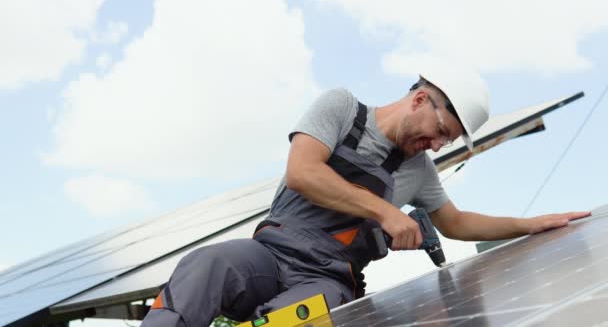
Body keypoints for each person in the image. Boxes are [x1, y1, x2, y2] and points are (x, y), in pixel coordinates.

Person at [141, 65, 590, 327]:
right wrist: (385, 212)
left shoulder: (418, 171)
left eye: (446, 142)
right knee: (205, 265)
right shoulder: (340, 109)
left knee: (303, 317)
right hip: (268, 256)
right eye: (440, 133)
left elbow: (456, 223)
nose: (436, 146)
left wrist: (531, 224)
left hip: (326, 280)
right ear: (419, 100)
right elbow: (302, 172)